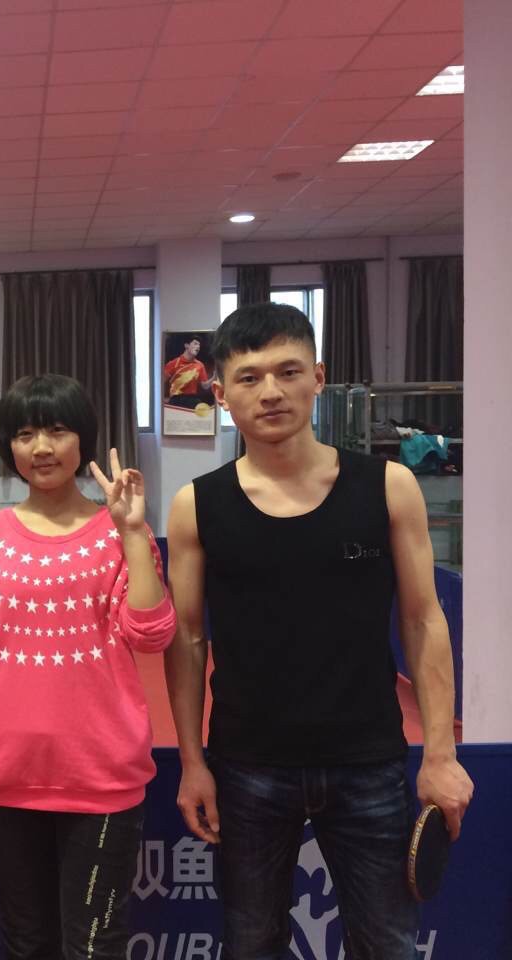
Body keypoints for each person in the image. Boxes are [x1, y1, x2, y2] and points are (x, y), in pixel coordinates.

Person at [163, 303, 474, 960]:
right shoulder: (196, 506)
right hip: (247, 765)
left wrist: (441, 754)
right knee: (251, 945)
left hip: (368, 761)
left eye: (288, 371)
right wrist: (192, 762)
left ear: (318, 377)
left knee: (387, 945)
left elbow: (424, 619)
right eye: (249, 378)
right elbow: (187, 640)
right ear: (220, 394)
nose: (271, 392)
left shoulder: (388, 487)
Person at [0, 374, 175, 960]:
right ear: (8, 446)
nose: (41, 447)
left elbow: (151, 633)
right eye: (24, 434)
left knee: (94, 947)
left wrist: (131, 531)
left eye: (57, 430)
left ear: (83, 440)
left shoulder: (120, 535)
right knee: (26, 944)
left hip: (101, 778)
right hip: (2, 778)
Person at [163, 336, 211, 409]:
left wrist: (214, 377)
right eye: (195, 343)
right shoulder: (173, 363)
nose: (198, 347)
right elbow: (161, 382)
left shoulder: (200, 365)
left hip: (192, 400)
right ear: (186, 345)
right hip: (176, 399)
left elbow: (205, 386)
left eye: (199, 345)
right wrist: (162, 398)